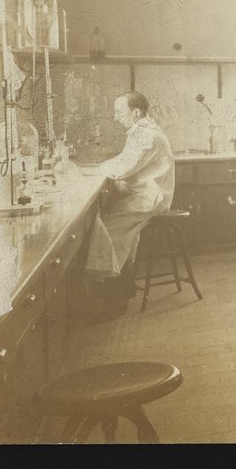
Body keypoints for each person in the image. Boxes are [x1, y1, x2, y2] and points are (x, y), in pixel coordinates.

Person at [85, 91, 175, 320]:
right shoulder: (141, 132)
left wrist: (90, 170)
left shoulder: (147, 135)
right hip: (142, 194)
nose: (115, 117)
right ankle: (121, 291)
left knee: (107, 234)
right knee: (115, 233)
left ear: (135, 112)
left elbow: (124, 167)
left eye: (119, 111)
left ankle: (116, 301)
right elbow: (123, 163)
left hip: (149, 197)